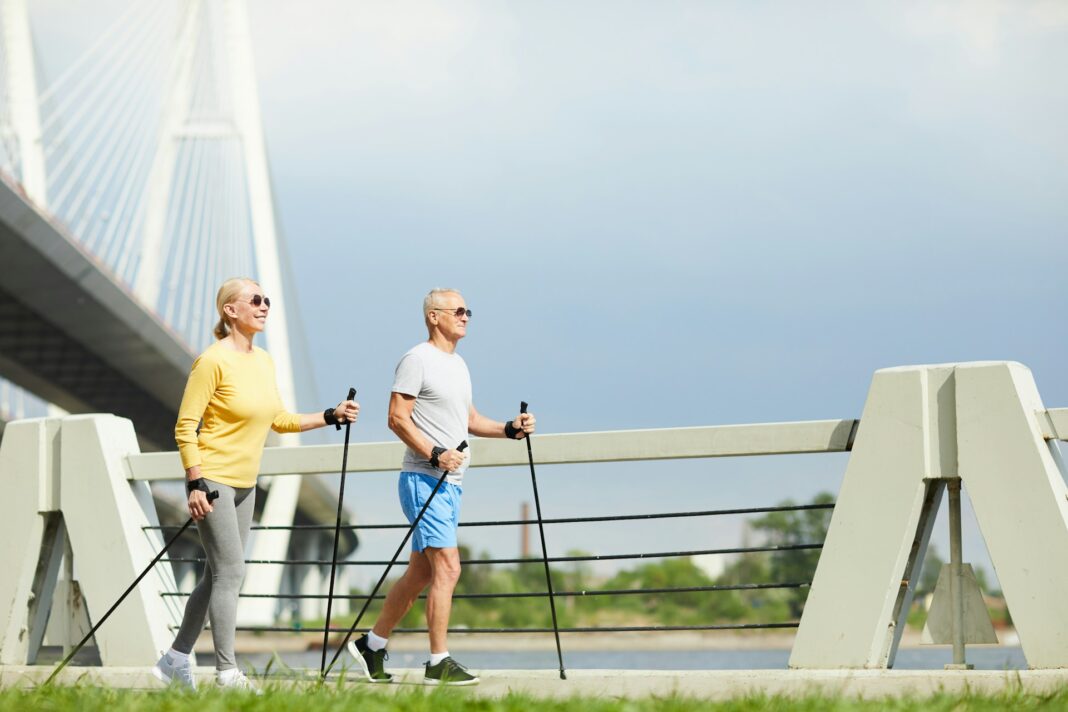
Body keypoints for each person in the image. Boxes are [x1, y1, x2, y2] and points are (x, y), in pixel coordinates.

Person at [152, 277, 359, 691]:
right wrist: (194, 482)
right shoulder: (212, 361)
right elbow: (185, 427)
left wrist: (330, 415)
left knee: (217, 574)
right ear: (230, 310)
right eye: (255, 300)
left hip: (246, 482)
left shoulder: (262, 361)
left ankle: (175, 659)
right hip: (211, 479)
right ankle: (227, 672)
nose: (265, 306)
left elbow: (279, 419)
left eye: (267, 300)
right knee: (232, 572)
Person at [347, 288, 535, 686]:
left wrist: (508, 429)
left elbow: (468, 419)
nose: (466, 316)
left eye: (469, 311)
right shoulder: (417, 359)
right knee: (449, 567)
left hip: (451, 483)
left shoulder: (459, 364)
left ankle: (373, 645)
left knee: (420, 574)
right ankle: (438, 661)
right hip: (422, 478)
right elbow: (397, 418)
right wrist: (434, 453)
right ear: (434, 316)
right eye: (458, 310)